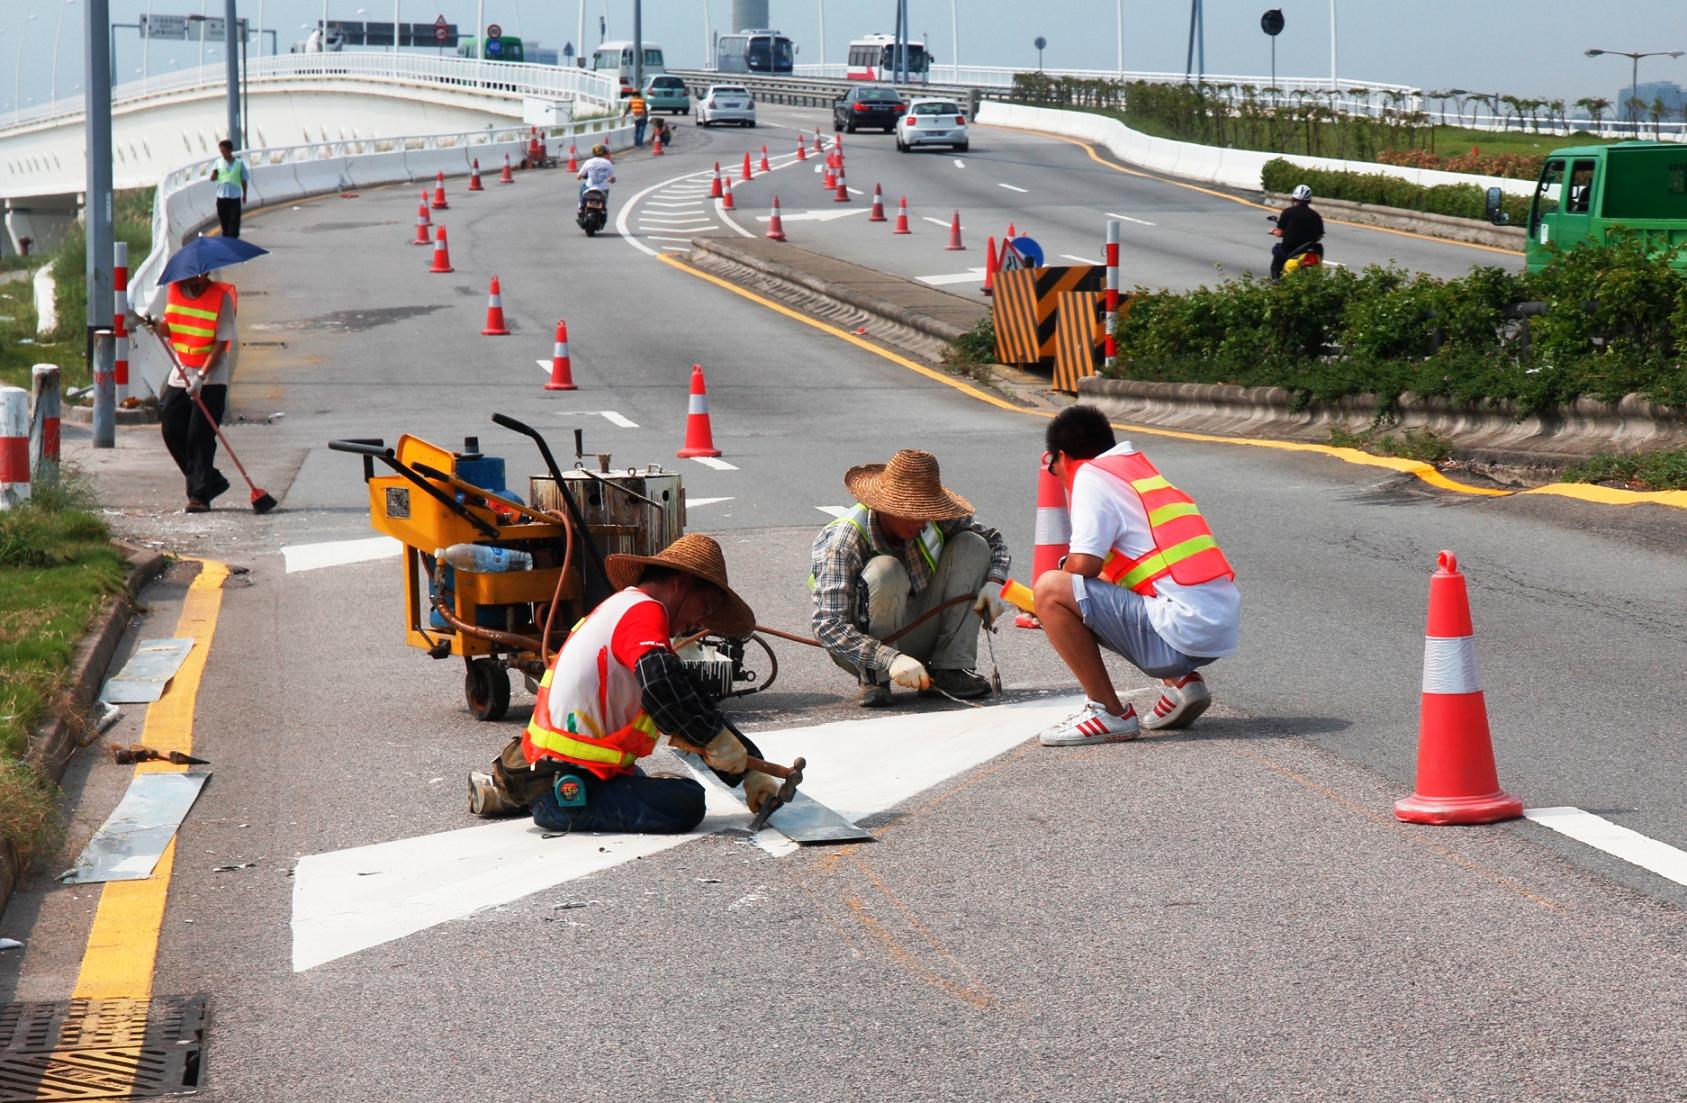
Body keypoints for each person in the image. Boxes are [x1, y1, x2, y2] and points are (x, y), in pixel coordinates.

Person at [470, 534, 781, 834]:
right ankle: (538, 803)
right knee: (687, 801)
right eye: (705, 606)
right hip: (568, 787)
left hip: (555, 773)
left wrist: (749, 769)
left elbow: (686, 699)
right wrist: (715, 741)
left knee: (648, 781)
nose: (701, 621)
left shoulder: (622, 607)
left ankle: (512, 794)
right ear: (683, 583)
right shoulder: (645, 612)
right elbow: (662, 687)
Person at [1032, 405, 1241, 747]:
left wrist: (1046, 603)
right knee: (1096, 587)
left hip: (1181, 632)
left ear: (1063, 457)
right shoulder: (1136, 469)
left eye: (1054, 470)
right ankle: (1181, 683)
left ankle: (1108, 712)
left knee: (1050, 591)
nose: (1060, 480)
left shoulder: (1090, 476)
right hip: (1215, 627)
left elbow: (1083, 565)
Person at [811, 449, 1011, 708]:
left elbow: (994, 541)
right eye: (910, 512)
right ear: (882, 507)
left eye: (925, 511)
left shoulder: (933, 519)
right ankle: (875, 680)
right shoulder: (844, 542)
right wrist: (889, 659)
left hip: (917, 628)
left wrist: (995, 583)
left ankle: (950, 670)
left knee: (973, 544)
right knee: (885, 569)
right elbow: (828, 626)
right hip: (863, 650)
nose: (921, 521)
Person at [154, 270, 238, 513]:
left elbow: (221, 342)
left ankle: (199, 495)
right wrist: (155, 326)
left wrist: (201, 377)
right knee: (172, 429)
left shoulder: (221, 298)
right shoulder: (175, 291)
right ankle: (211, 480)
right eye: (191, 273)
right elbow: (173, 329)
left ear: (208, 272)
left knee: (199, 435)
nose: (195, 277)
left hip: (211, 375)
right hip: (182, 369)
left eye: (200, 273)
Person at [1270, 183, 1324, 279]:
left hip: (1290, 249)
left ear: (1294, 198)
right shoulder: (1316, 215)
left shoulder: (1288, 212)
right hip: (1310, 249)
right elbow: (1320, 235)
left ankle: (1276, 279)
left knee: (1277, 250)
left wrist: (1273, 231)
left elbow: (1280, 233)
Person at [208, 140, 250, 239]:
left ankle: (233, 239)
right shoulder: (218, 163)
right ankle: (226, 239)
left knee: (234, 220)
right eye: (221, 151)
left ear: (229, 150)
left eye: (224, 151)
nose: (222, 153)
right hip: (221, 197)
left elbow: (244, 180)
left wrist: (244, 195)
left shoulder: (239, 163)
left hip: (234, 197)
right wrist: (213, 177)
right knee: (224, 221)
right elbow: (213, 177)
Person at [576, 143, 615, 212]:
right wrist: (610, 180)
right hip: (603, 188)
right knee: (604, 204)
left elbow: (578, 176)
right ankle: (603, 207)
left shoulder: (588, 162)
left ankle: (581, 207)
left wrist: (581, 176)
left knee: (582, 188)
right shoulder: (608, 163)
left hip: (589, 187)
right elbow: (612, 178)